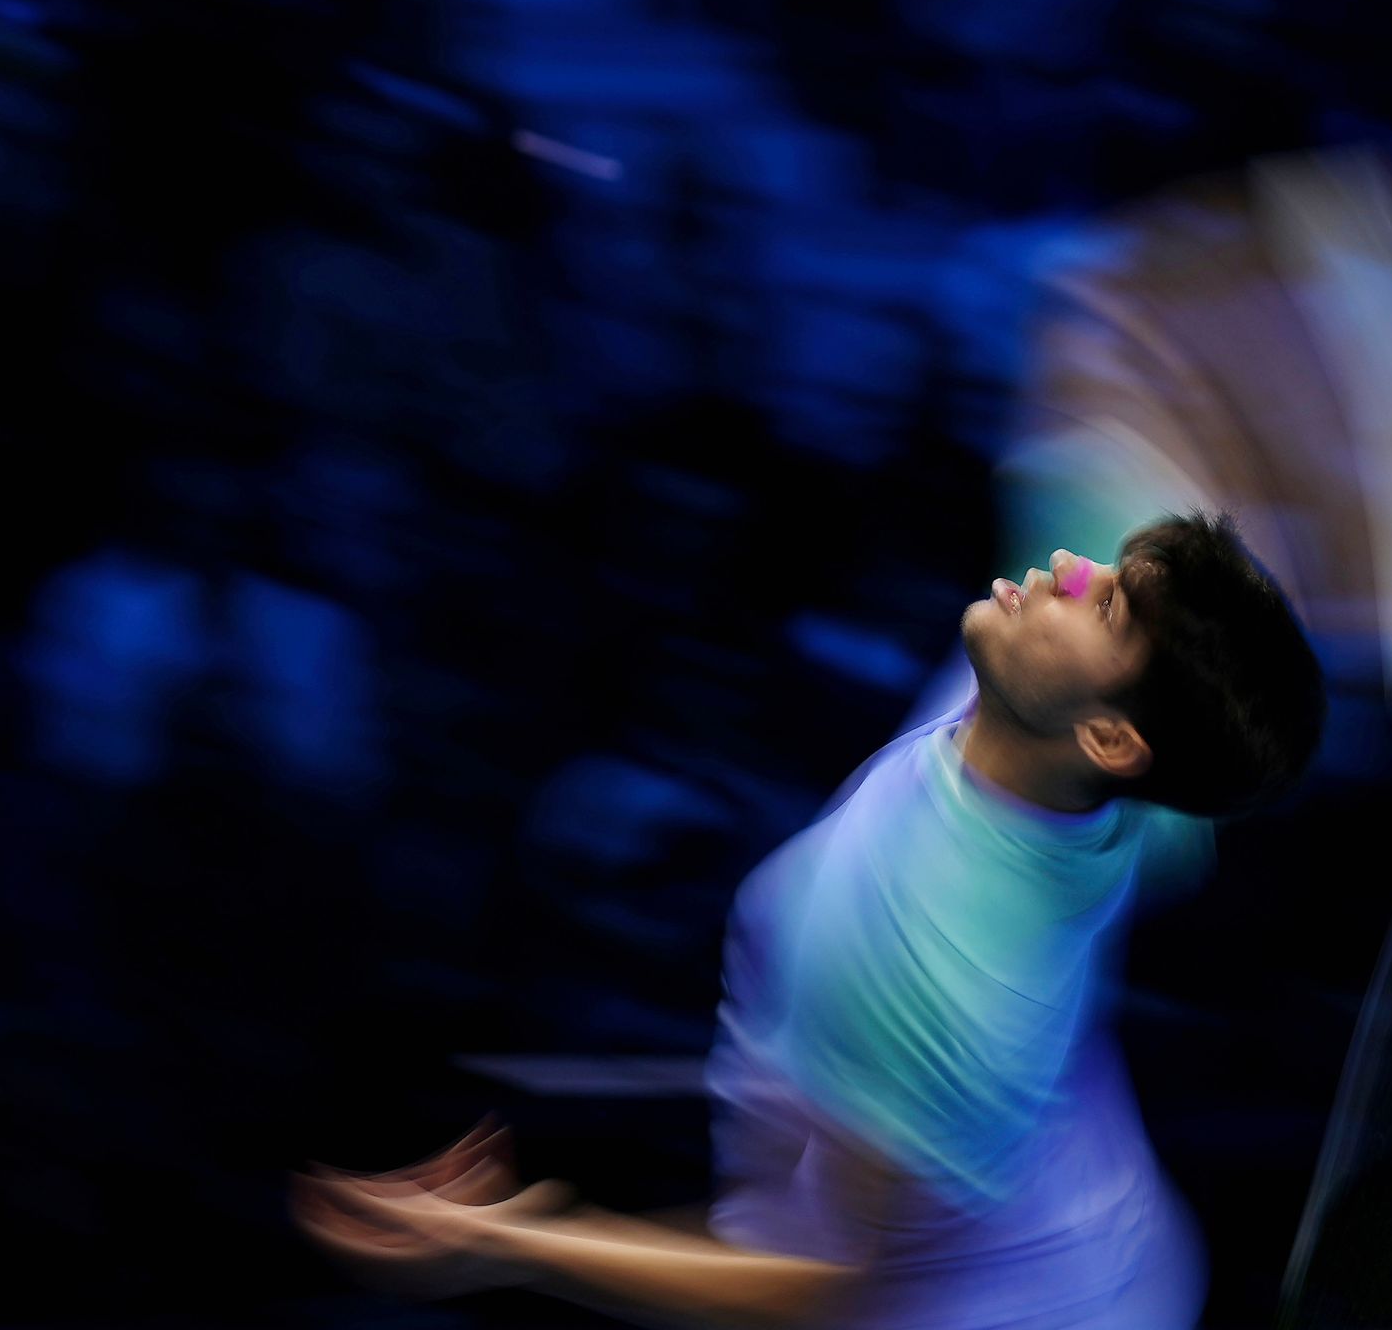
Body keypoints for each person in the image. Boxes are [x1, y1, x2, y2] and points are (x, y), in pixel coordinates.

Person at [294, 510, 1329, 1328]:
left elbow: (812, 1284)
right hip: (1098, 1234)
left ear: (1111, 737)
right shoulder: (1077, 767)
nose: (1064, 564)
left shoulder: (924, 954)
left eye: (1103, 608)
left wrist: (510, 1240)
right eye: (1103, 568)